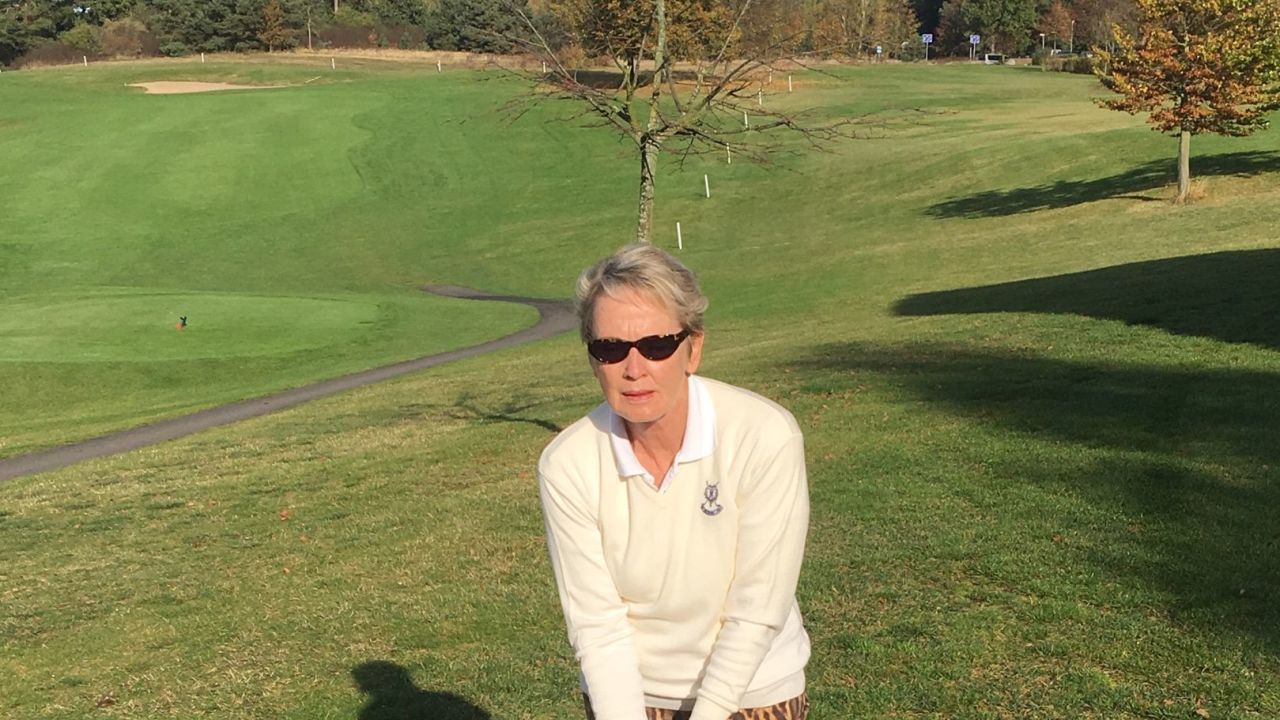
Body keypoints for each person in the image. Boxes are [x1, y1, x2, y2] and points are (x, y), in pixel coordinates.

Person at [538, 244, 812, 720]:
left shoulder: (764, 435)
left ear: (693, 348)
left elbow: (756, 611)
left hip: (752, 691)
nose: (634, 369)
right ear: (593, 360)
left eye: (657, 345)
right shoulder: (567, 464)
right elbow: (598, 628)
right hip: (631, 698)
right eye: (610, 349)